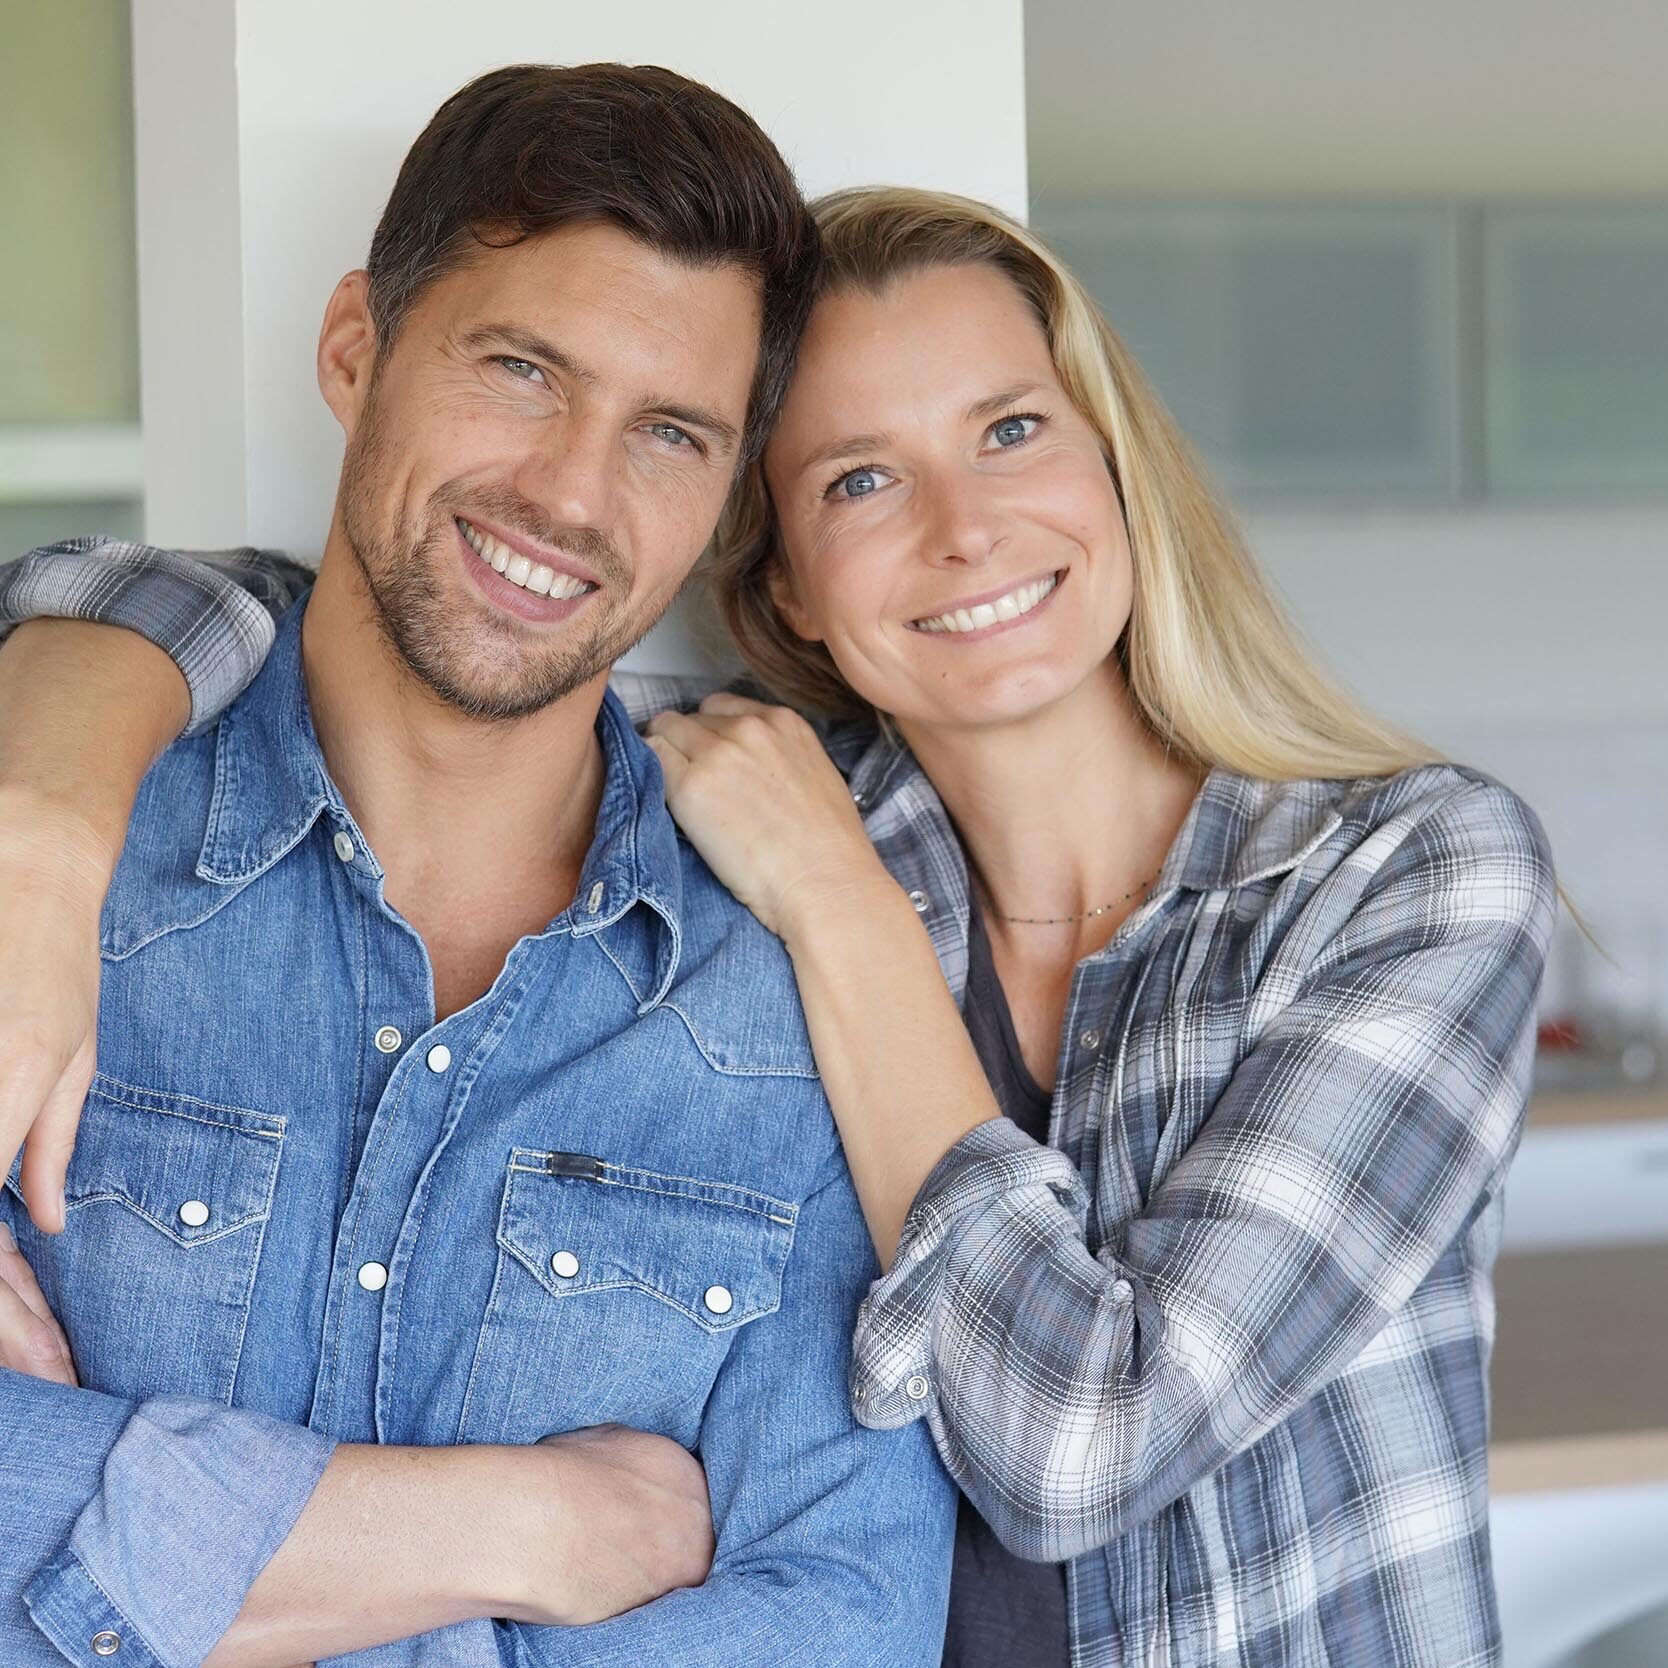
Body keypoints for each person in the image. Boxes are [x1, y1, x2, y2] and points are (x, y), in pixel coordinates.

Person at [0, 186, 1555, 1668]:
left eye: (1010, 430)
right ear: (790, 586)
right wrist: (52, 831)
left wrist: (837, 908)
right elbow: (336, 608)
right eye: (859, 481)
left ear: (1115, 463)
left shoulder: (1404, 875)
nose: (963, 529)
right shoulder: (754, 791)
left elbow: (1082, 1447)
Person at [0, 67, 958, 1668]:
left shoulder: (795, 997)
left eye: (669, 433)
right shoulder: (52, 866)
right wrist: (528, 1531)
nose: (572, 496)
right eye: (520, 370)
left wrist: (167, 1585)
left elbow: (841, 1620)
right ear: (354, 348)